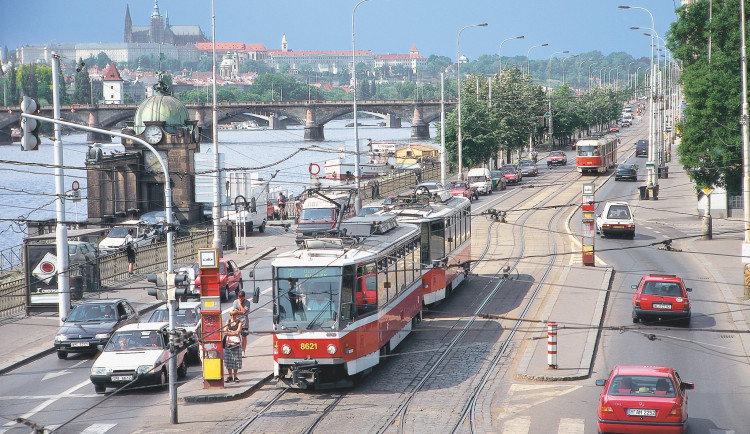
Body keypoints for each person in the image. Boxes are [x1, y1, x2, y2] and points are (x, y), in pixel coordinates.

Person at [223, 309, 242, 382]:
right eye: (231, 315)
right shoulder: (228, 321)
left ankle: (235, 376)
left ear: (237, 315)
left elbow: (238, 332)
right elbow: (225, 331)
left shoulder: (239, 322)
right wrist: (233, 332)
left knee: (236, 359)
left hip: (236, 343)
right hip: (228, 342)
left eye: (234, 315)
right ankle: (230, 376)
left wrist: (230, 332)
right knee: (228, 359)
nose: (232, 316)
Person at [232, 290, 252, 357]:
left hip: (244, 323)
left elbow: (244, 311)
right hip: (237, 322)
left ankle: (243, 350)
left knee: (244, 337)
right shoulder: (235, 302)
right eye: (239, 298)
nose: (240, 299)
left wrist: (240, 304)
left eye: (242, 298)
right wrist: (239, 312)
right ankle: (237, 350)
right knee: (236, 337)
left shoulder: (247, 302)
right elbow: (234, 312)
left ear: (244, 297)